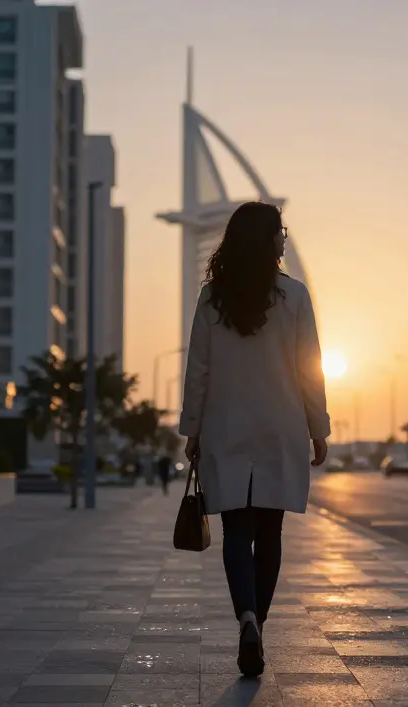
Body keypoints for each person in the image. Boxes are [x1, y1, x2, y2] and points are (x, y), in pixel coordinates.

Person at [179, 201, 329, 678]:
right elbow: (311, 371)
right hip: (279, 428)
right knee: (270, 534)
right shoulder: (295, 295)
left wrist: (192, 430)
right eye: (280, 231)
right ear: (267, 239)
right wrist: (318, 427)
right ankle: (258, 624)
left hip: (226, 427)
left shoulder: (211, 298)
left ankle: (245, 617)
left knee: (236, 533)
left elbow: (198, 371)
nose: (284, 238)